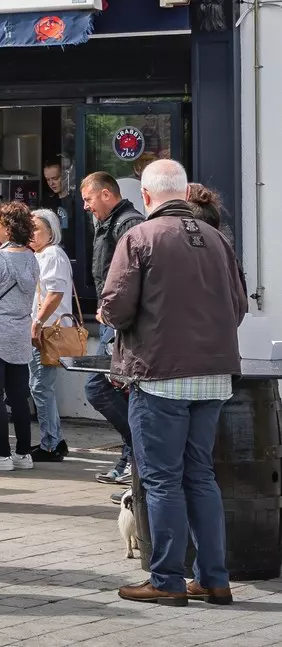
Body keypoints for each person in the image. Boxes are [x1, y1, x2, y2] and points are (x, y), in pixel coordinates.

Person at [100, 158, 248, 605]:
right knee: (201, 476)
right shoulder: (219, 242)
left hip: (160, 373)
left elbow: (116, 307)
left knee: (162, 480)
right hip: (215, 375)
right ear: (184, 192)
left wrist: (114, 316)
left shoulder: (140, 237)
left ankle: (166, 581)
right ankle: (214, 579)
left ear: (146, 196)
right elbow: (238, 307)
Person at [81, 170, 143, 483]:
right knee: (116, 389)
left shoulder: (128, 224)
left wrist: (115, 311)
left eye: (88, 199)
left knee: (98, 386)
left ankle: (137, 451)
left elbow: (133, 277)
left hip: (119, 323)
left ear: (107, 194)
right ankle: (131, 459)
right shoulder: (110, 223)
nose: (85, 206)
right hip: (111, 320)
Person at [0, 201, 40, 473]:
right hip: (21, 331)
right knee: (19, 396)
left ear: (8, 227)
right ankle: (23, 453)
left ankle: (2, 454)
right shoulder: (31, 257)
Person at [24, 207, 77, 463]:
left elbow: (54, 293)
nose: (31, 234)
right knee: (40, 386)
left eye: (36, 229)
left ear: (51, 231)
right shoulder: (41, 254)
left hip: (47, 330)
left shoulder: (52, 254)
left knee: (40, 386)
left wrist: (38, 321)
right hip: (42, 327)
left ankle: (51, 443)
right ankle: (54, 439)